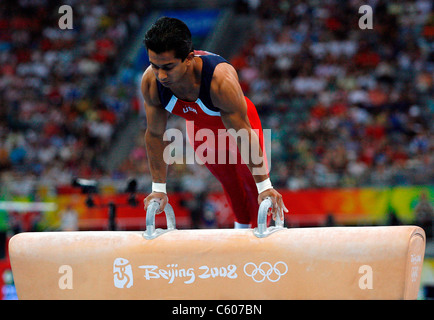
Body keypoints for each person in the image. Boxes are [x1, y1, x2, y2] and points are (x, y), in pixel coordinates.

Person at [141, 17, 288, 228]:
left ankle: (261, 233)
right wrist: (158, 189)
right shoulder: (151, 82)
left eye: (168, 67)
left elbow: (242, 133)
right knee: (229, 184)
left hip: (241, 127)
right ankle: (241, 229)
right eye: (154, 66)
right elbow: (155, 134)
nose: (161, 75)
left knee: (251, 182)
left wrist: (265, 185)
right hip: (201, 132)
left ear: (189, 58)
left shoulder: (219, 81)